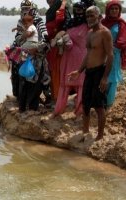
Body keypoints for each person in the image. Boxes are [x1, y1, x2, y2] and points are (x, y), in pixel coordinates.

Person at [68, 6, 113, 141]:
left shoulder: (105, 33)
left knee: (99, 106)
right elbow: (88, 54)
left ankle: (99, 137)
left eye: (92, 15)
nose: (89, 18)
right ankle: (85, 132)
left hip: (100, 72)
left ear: (99, 17)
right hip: (89, 72)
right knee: (85, 104)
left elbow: (110, 56)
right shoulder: (89, 34)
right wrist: (79, 70)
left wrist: (105, 78)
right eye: (87, 16)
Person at [54, 1, 93, 116]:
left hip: (81, 58)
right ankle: (58, 110)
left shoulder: (88, 25)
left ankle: (80, 111)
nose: (77, 12)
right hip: (67, 57)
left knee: (81, 84)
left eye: (80, 10)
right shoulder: (69, 23)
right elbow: (65, 37)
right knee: (65, 83)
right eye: (75, 10)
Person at [101, 0, 126, 109]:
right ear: (108, 10)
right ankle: (101, 102)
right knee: (102, 76)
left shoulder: (121, 24)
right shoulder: (102, 22)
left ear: (119, 10)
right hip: (101, 54)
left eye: (116, 9)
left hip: (114, 54)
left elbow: (122, 41)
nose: (114, 11)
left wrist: (110, 48)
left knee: (112, 79)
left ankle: (109, 104)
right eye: (112, 9)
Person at [45, 0, 72, 101]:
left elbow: (62, 21)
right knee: (52, 71)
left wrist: (63, 4)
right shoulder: (50, 12)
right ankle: (54, 96)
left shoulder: (62, 11)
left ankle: (57, 98)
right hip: (51, 47)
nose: (50, 2)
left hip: (58, 47)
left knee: (57, 72)